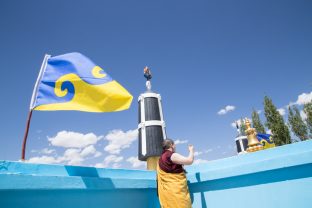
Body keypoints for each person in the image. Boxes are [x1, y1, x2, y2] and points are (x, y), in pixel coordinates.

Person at [157, 139, 194, 208]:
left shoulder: (160, 159)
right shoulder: (171, 155)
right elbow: (189, 161)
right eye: (174, 145)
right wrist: (191, 150)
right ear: (171, 145)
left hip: (167, 192)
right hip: (176, 191)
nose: (175, 147)